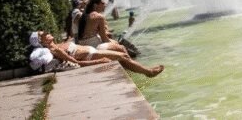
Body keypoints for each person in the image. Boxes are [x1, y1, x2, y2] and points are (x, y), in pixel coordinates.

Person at [32, 31, 164, 77]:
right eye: (43, 35)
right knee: (123, 56)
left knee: (122, 53)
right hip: (92, 56)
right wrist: (97, 62)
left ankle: (140, 71)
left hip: (93, 51)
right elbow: (75, 62)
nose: (47, 33)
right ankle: (148, 72)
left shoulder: (59, 44)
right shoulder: (55, 50)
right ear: (41, 42)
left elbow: (72, 39)